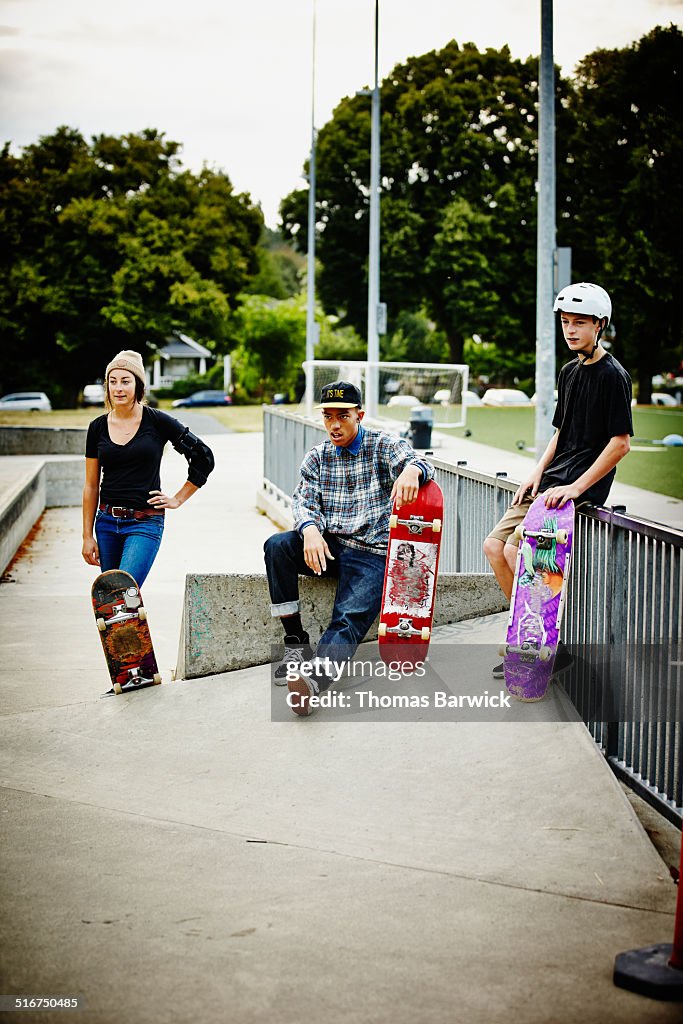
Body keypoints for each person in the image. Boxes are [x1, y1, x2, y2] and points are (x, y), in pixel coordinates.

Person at [483, 281, 632, 676]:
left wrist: (576, 488)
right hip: (550, 482)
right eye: (566, 322)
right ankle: (533, 636)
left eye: (580, 323)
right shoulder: (569, 373)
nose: (570, 330)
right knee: (495, 547)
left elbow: (620, 444)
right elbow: (560, 433)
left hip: (575, 489)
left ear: (600, 325)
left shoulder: (613, 376)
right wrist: (535, 474)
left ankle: (537, 642)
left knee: (519, 553)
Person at [264, 380, 435, 716]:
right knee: (278, 546)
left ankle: (313, 682)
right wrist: (310, 529)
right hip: (329, 545)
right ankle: (296, 644)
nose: (335, 425)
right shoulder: (317, 457)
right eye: (328, 417)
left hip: (373, 553)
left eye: (342, 416)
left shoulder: (382, 446)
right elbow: (302, 501)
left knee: (348, 619)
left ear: (360, 415)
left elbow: (420, 460)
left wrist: (413, 470)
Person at [82, 350, 215, 587]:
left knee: (123, 591)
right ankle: (128, 626)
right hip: (106, 524)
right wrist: (86, 536)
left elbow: (202, 456)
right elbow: (91, 485)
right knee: (111, 603)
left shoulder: (158, 422)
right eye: (113, 382)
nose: (118, 388)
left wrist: (178, 499)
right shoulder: (97, 428)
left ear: (138, 385)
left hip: (145, 522)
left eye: (125, 381)